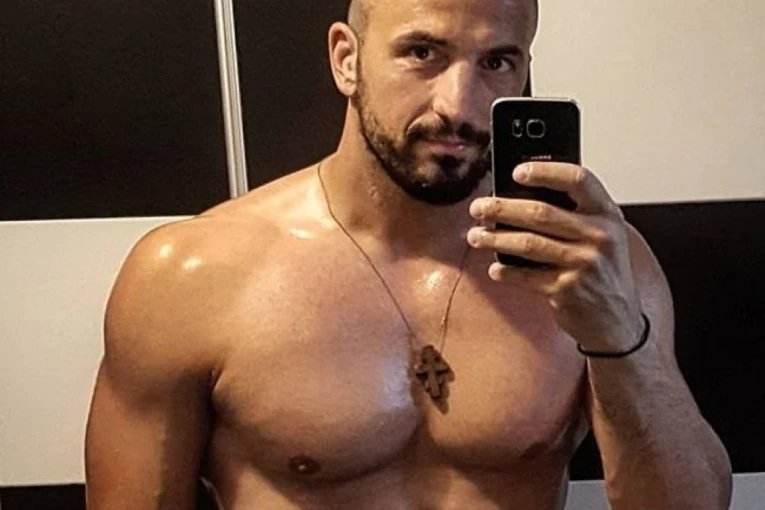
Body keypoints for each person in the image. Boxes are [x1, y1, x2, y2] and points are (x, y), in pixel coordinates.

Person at [85, 0, 733, 508]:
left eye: (496, 62)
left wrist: (618, 337)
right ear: (347, 59)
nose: (458, 105)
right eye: (423, 53)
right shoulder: (193, 276)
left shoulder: (590, 265)